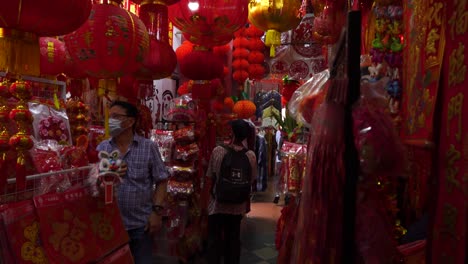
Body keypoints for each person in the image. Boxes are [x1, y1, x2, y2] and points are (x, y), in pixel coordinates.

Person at [97, 100, 168, 264]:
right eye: (109, 117)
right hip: (111, 225)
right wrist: (105, 178)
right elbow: (96, 186)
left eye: (115, 116)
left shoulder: (148, 147)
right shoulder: (102, 148)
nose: (110, 121)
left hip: (140, 225)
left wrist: (157, 212)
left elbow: (162, 180)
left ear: (130, 121)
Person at [205, 119, 257, 264]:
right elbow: (251, 180)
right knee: (233, 239)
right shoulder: (250, 156)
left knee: (214, 239)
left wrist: (205, 201)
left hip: (217, 204)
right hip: (237, 205)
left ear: (232, 132)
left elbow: (210, 177)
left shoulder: (218, 151)